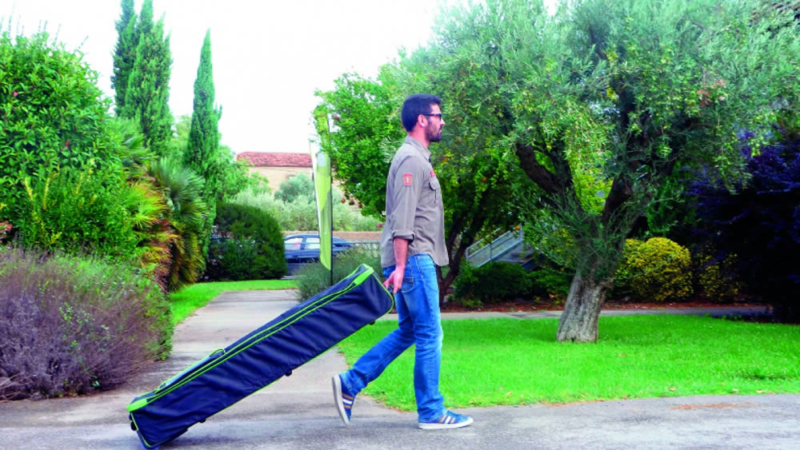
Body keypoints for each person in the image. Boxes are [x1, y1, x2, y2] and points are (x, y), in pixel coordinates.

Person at [332, 94, 473, 430]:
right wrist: (400, 267)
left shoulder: (415, 158)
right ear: (422, 119)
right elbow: (403, 220)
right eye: (438, 115)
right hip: (413, 259)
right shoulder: (411, 160)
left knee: (410, 330)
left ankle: (351, 382)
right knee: (430, 334)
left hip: (410, 260)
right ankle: (431, 411)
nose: (442, 122)